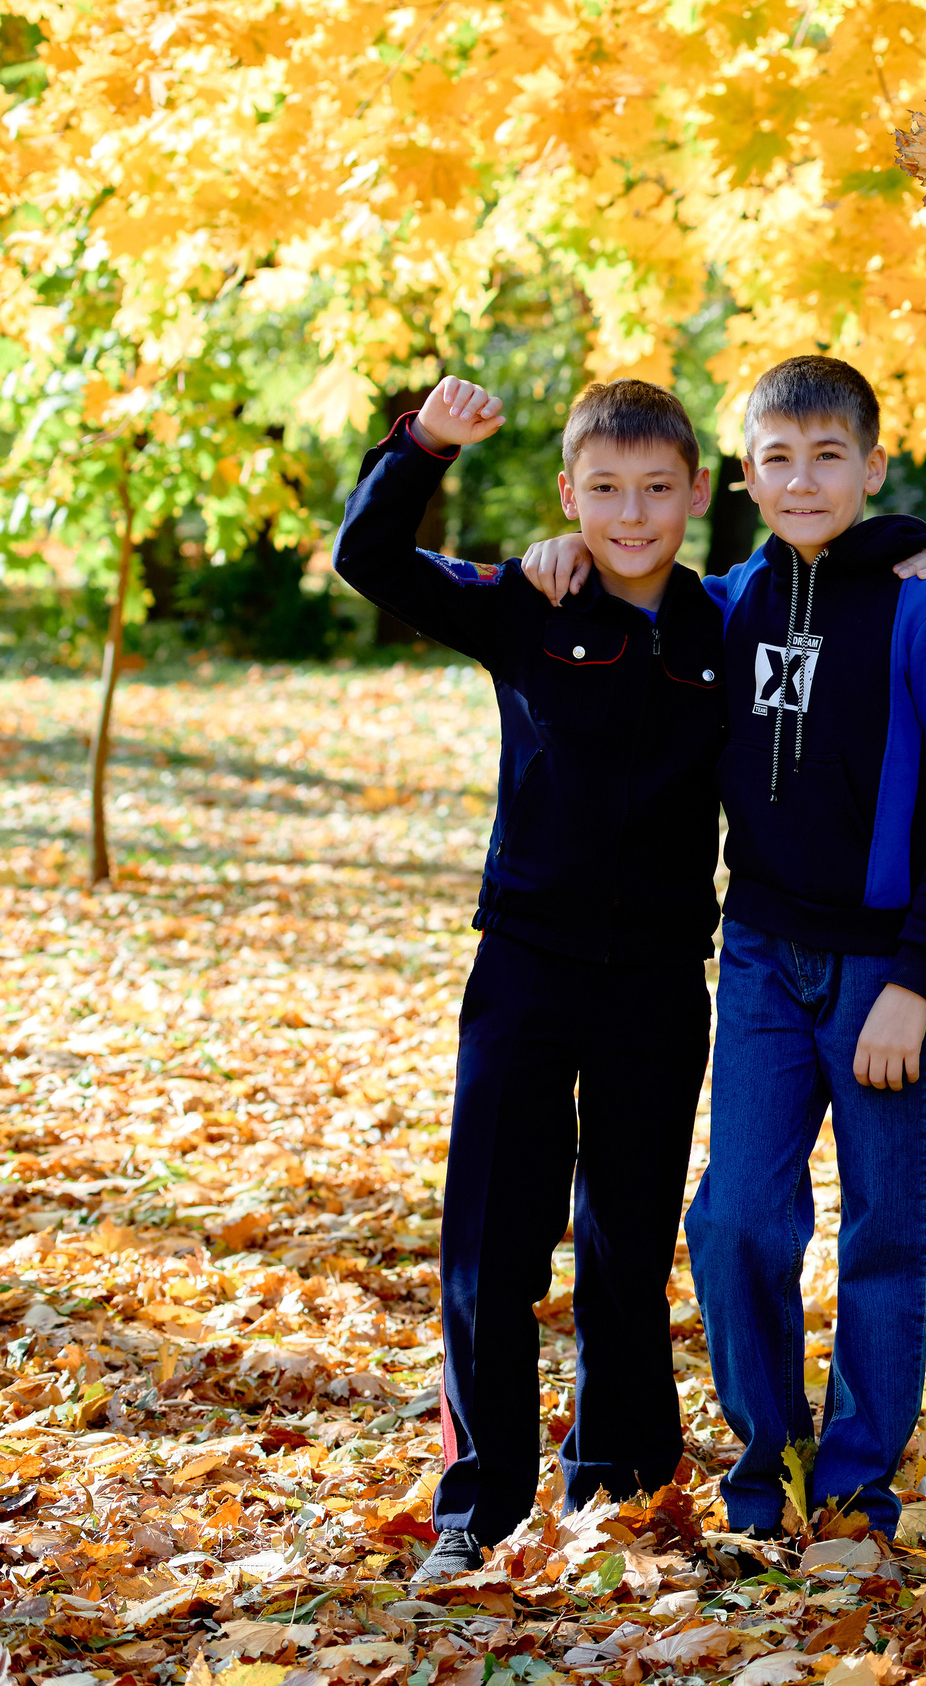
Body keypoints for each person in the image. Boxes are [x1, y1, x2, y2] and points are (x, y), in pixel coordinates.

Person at [524, 356, 926, 1550]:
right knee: (737, 1217)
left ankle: (853, 1487)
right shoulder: (728, 604)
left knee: (883, 1236)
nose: (802, 482)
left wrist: (914, 980)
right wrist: (564, 553)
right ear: (742, 476)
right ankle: (768, 1460)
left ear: (874, 468)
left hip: (885, 971)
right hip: (758, 956)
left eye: (828, 458)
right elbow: (629, 582)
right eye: (778, 459)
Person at [334, 376, 726, 1584]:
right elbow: (369, 559)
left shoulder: (729, 623)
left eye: (656, 489)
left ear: (697, 495)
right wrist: (423, 446)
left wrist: (917, 549)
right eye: (604, 489)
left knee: (628, 1242)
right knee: (493, 1240)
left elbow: (840, 573)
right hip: (525, 967)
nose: (631, 514)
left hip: (659, 982)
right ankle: (481, 1499)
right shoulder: (526, 601)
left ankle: (618, 1483)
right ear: (568, 494)